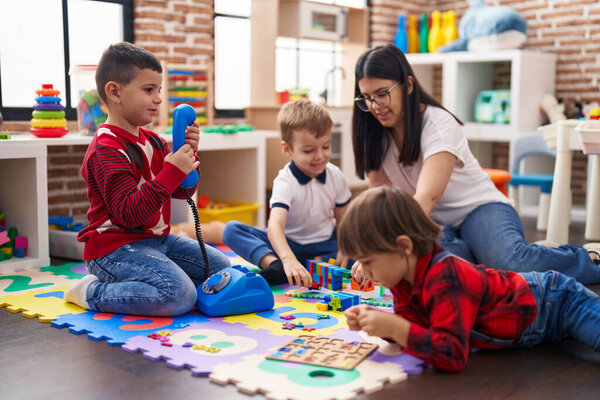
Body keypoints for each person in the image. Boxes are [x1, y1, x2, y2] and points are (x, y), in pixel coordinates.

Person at [351, 44, 600, 284]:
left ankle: (588, 259)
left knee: (509, 262)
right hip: (431, 224)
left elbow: (427, 198)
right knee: (448, 271)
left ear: (408, 85)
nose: (375, 107)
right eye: (366, 98)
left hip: (479, 209)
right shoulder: (374, 133)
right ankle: (509, 252)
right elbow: (379, 199)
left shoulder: (438, 125)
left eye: (382, 94)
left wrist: (380, 247)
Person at [339, 186, 600, 372]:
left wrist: (395, 328)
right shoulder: (401, 278)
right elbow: (418, 327)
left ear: (404, 246)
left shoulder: (444, 276)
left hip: (557, 301)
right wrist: (380, 324)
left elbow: (451, 353)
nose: (366, 272)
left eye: (369, 261)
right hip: (532, 328)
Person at [64, 42, 230, 316]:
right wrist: (172, 170)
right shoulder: (106, 149)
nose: (158, 99)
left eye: (159, 90)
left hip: (157, 241)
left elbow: (181, 193)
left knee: (220, 268)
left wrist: (187, 155)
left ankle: (154, 282)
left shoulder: (154, 141)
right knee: (178, 295)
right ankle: (92, 292)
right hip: (115, 248)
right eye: (149, 90)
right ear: (115, 92)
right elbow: (130, 215)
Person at [222, 99, 352, 286]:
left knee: (362, 251)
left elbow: (344, 219)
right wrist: (287, 258)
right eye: (308, 151)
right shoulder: (285, 181)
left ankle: (314, 265)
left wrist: (345, 248)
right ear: (287, 149)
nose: (320, 156)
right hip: (287, 244)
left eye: (326, 147)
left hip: (325, 243)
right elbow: (275, 225)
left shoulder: (335, 175)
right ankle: (276, 265)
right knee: (232, 230)